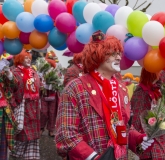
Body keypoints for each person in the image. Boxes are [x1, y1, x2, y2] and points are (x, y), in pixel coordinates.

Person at [55, 31, 154, 160]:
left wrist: (138, 139)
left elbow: (123, 126)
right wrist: (92, 157)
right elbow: (66, 134)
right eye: (113, 54)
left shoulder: (120, 88)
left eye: (119, 53)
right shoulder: (75, 88)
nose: (119, 58)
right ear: (98, 55)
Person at [131, 68, 165, 160]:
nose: (164, 74)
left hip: (161, 132)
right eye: (160, 71)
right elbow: (136, 119)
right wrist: (138, 138)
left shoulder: (157, 89)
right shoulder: (141, 91)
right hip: (149, 135)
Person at [10, 49, 41, 160]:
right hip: (22, 108)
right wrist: (14, 105)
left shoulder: (33, 71)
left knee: (33, 136)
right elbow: (10, 91)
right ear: (19, 59)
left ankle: (30, 156)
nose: (28, 60)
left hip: (34, 108)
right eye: (25, 57)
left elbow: (38, 87)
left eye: (29, 57)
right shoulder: (14, 72)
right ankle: (16, 155)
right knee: (21, 134)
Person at [0, 59, 18, 160]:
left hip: (3, 110)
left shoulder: (2, 72)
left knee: (3, 140)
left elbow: (14, 84)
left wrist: (8, 72)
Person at [40, 58, 59, 137]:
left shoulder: (56, 73)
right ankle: (41, 128)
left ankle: (51, 130)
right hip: (44, 96)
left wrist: (55, 85)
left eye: (51, 66)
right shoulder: (42, 73)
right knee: (44, 112)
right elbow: (39, 83)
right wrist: (43, 85)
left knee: (52, 113)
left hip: (53, 96)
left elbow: (59, 83)